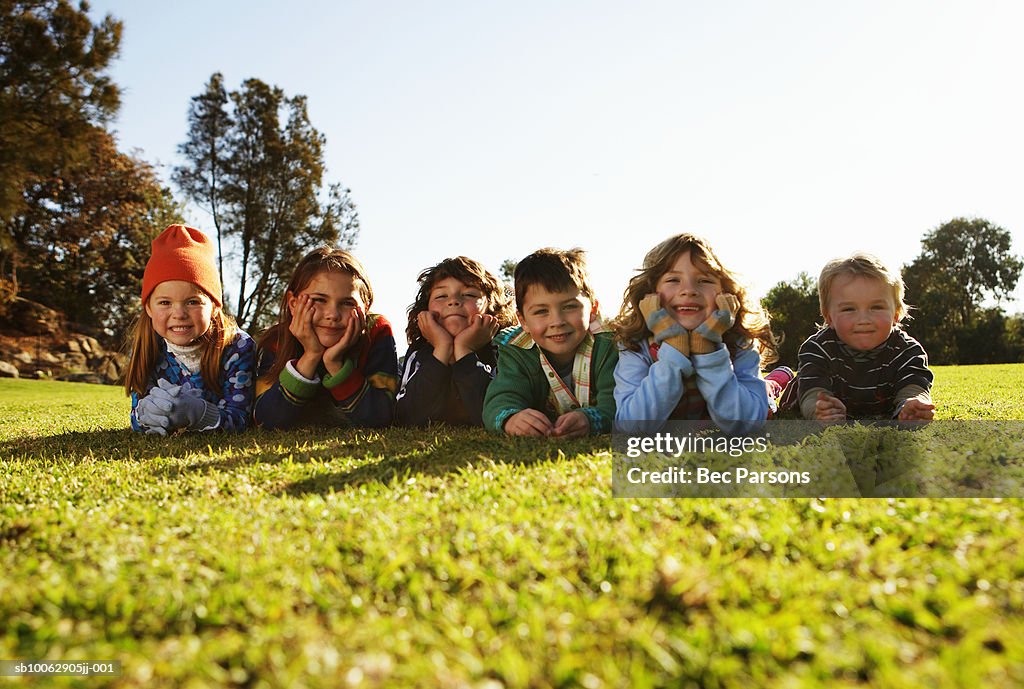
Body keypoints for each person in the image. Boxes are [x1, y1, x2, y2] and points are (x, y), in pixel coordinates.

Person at [612, 233, 777, 433]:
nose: (689, 290)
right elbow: (631, 426)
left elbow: (746, 422)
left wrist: (706, 349)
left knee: (768, 391)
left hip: (752, 394)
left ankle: (776, 381)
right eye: (673, 279)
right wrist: (673, 349)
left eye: (704, 281)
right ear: (651, 294)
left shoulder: (740, 342)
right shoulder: (636, 346)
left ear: (725, 294)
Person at [124, 224, 255, 435]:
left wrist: (200, 414)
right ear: (148, 307)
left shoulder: (237, 347)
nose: (179, 313)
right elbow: (136, 416)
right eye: (165, 303)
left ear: (214, 306)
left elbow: (240, 418)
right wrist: (147, 415)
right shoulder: (146, 346)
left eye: (193, 302)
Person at [253, 247, 398, 429]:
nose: (332, 315)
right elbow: (265, 421)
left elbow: (381, 417)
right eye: (319, 300)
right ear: (293, 303)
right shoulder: (277, 340)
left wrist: (335, 364)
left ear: (365, 308)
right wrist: (311, 356)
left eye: (347, 303)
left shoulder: (376, 331)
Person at [483, 248, 617, 437]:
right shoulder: (517, 350)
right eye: (541, 311)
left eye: (570, 307)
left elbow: (618, 403)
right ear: (523, 321)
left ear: (592, 309)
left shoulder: (609, 345)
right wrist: (511, 419)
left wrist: (591, 420)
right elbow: (501, 398)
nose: (557, 321)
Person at [798, 252, 934, 421]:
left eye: (876, 307)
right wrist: (820, 410)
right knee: (794, 388)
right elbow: (811, 392)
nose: (863, 320)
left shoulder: (906, 351)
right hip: (808, 391)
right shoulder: (818, 349)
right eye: (849, 309)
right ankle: (781, 378)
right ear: (829, 317)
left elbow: (914, 386)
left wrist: (913, 406)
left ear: (896, 314)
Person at [395, 256, 516, 426]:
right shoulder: (418, 353)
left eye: (469, 294)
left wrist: (464, 351)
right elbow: (407, 417)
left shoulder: (505, 351)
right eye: (441, 296)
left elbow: (494, 414)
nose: (453, 301)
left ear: (491, 307)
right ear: (425, 310)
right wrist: (442, 349)